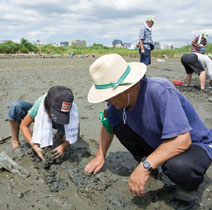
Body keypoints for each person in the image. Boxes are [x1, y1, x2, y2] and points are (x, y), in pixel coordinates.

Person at [85, 54, 212, 209]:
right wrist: (100, 155)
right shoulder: (117, 103)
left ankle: (187, 187)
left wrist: (145, 167)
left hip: (195, 144)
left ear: (127, 88)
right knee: (119, 124)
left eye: (109, 96)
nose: (107, 101)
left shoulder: (160, 91)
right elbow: (108, 125)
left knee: (179, 167)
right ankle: (152, 161)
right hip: (161, 141)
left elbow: (182, 140)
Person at [8, 86, 79, 160]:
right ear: (46, 107)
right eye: (52, 114)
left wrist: (63, 146)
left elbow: (76, 132)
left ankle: (59, 136)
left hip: (60, 124)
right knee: (16, 106)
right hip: (40, 115)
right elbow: (24, 125)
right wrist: (34, 146)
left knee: (63, 131)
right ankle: (15, 141)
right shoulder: (40, 104)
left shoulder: (73, 110)